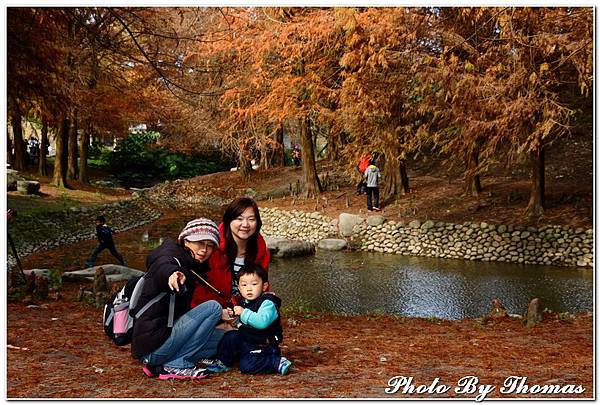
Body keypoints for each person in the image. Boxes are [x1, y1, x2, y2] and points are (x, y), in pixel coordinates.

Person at [132, 218, 229, 380]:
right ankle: (176, 364)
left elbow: (182, 315)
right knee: (213, 307)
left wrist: (221, 319)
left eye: (210, 245)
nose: (204, 250)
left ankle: (162, 365)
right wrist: (172, 274)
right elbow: (164, 265)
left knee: (224, 338)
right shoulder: (172, 256)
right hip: (154, 347)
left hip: (161, 344)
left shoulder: (192, 267)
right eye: (199, 242)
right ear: (185, 240)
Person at [206, 264, 292, 375]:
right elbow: (241, 325)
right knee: (230, 337)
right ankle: (224, 362)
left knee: (247, 366)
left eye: (254, 284)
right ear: (239, 288)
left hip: (264, 345)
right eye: (244, 285)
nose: (249, 289)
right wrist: (233, 318)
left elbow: (262, 323)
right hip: (249, 341)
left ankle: (276, 362)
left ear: (264, 286)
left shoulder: (268, 303)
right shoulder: (244, 303)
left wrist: (243, 312)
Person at [191, 197, 270, 309]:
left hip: (245, 312)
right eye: (239, 219)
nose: (245, 224)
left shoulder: (261, 252)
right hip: (210, 311)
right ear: (229, 220)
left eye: (251, 219)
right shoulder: (212, 247)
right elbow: (199, 288)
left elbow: (262, 287)